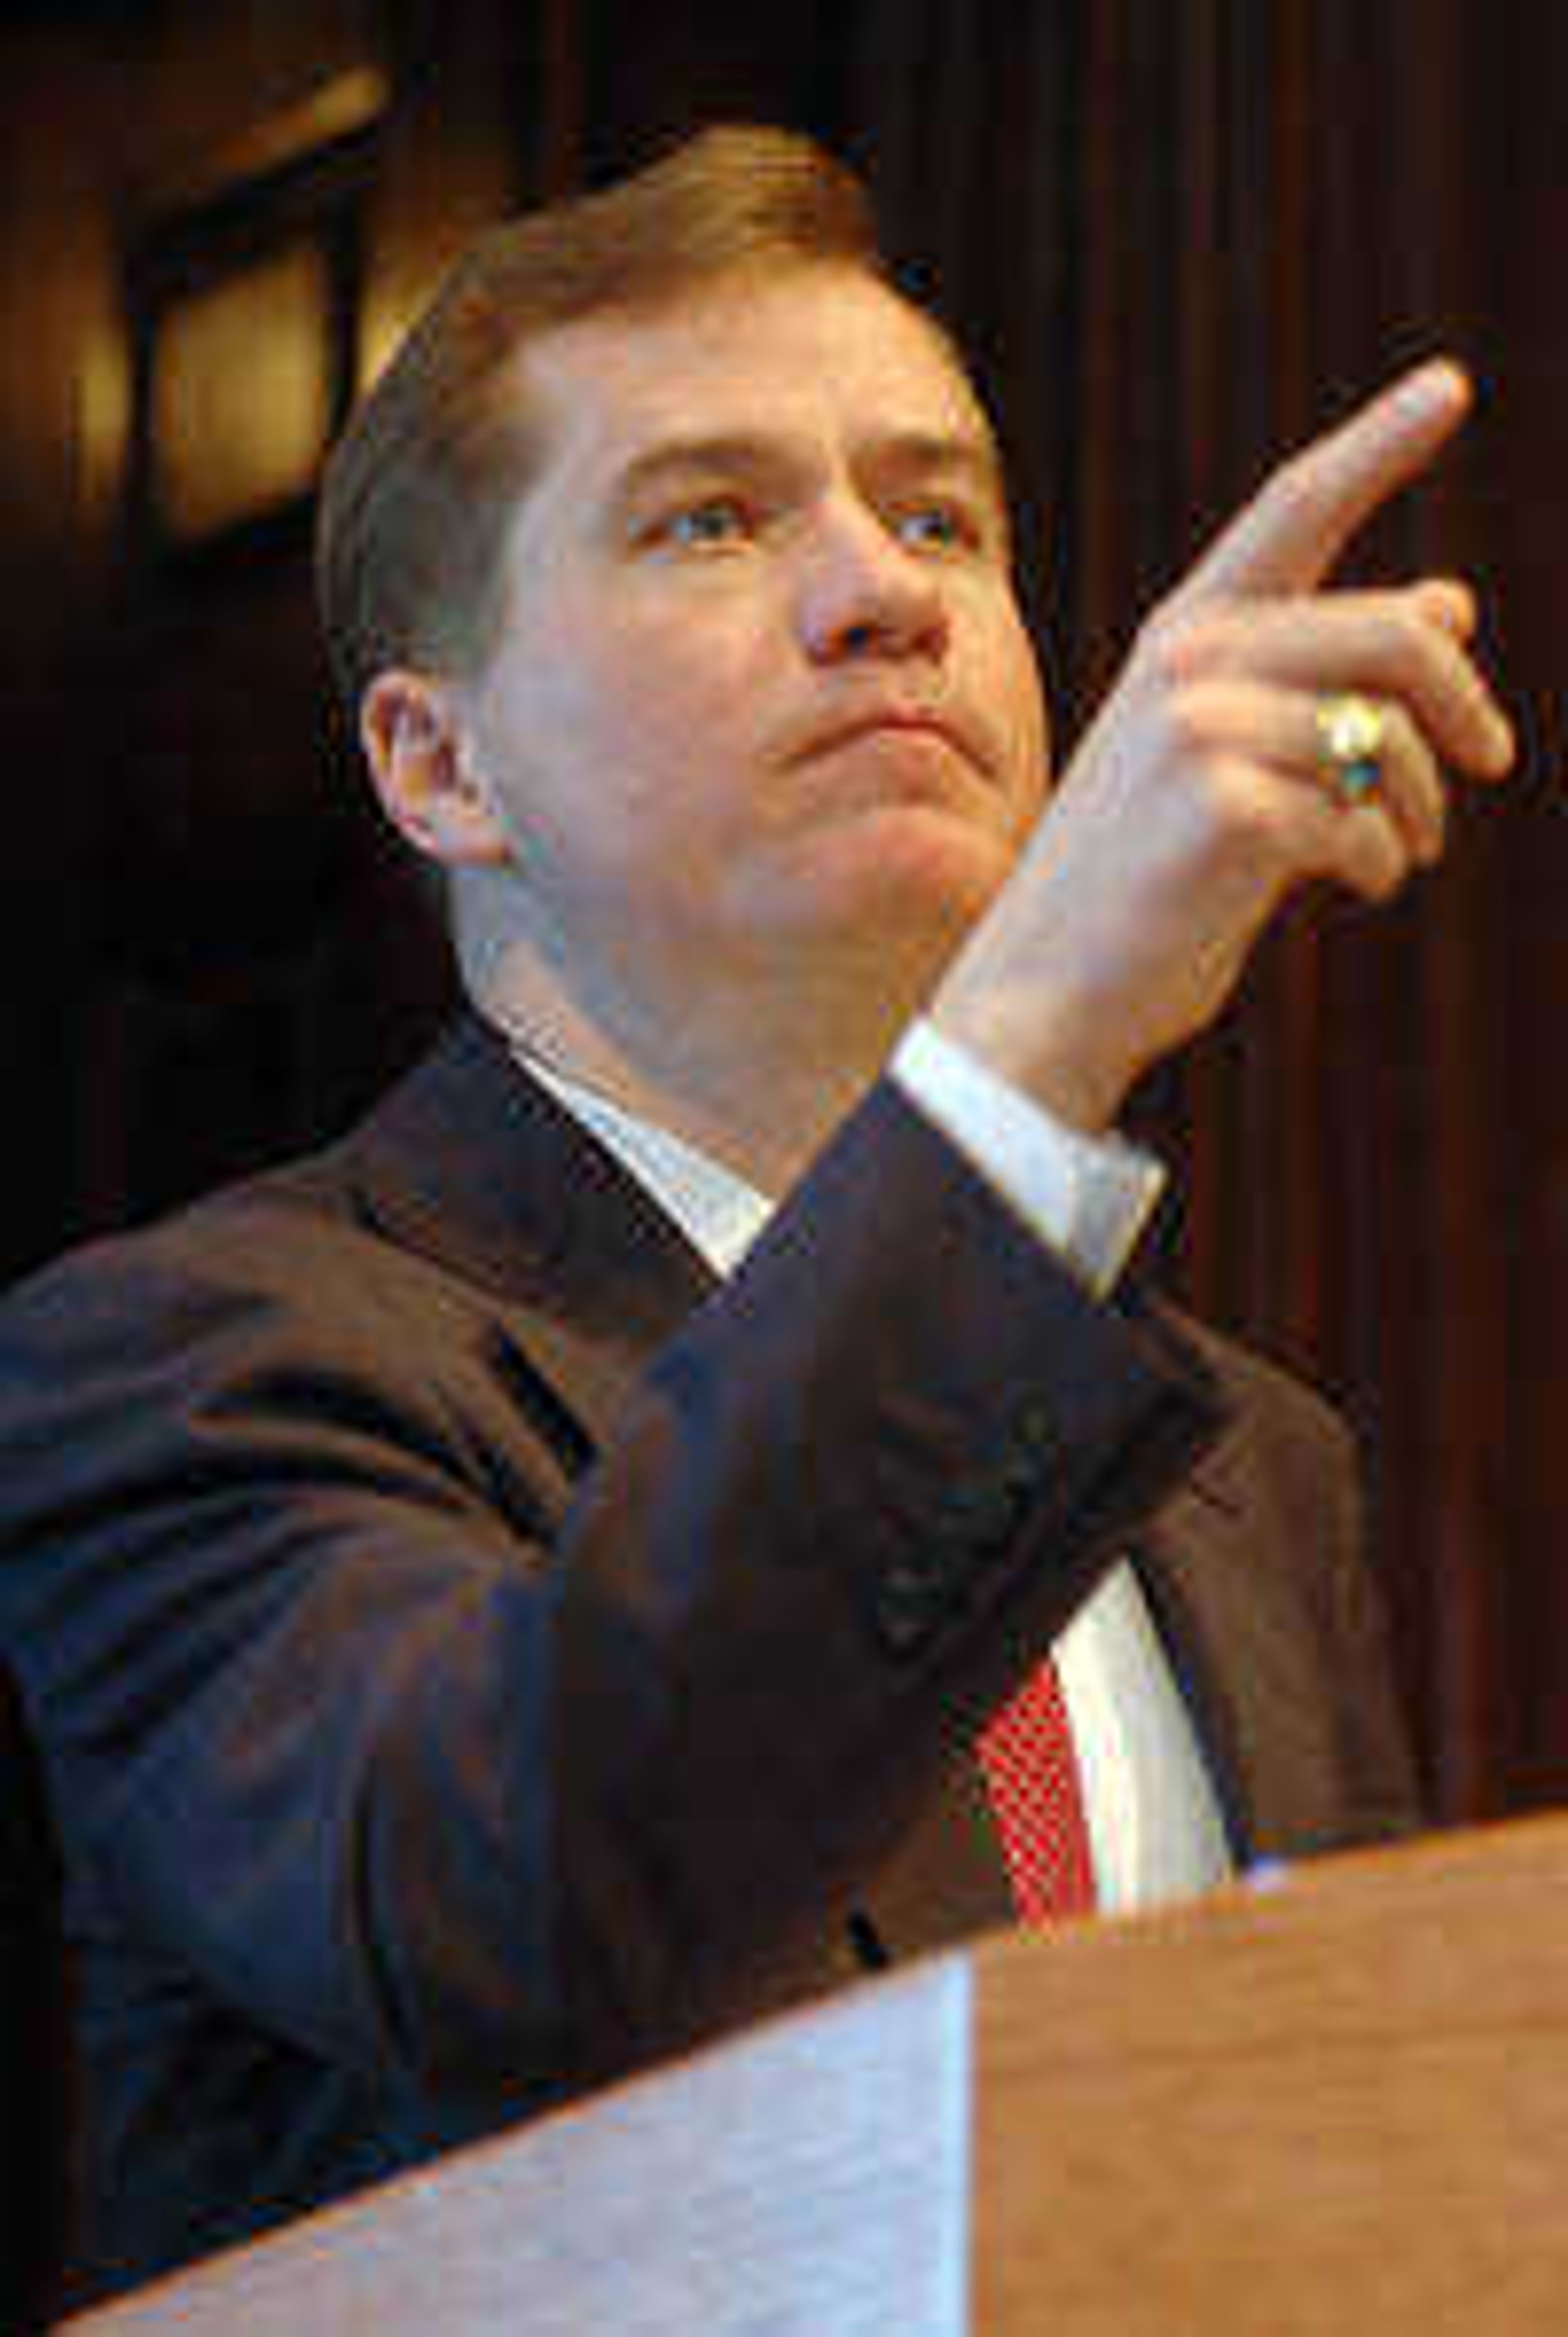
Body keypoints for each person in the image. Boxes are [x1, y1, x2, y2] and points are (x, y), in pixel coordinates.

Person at [0, 124, 1515, 2305]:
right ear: (440, 769)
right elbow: (526, 1905)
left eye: (939, 514)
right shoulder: (187, 1365)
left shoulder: (1250, 1468)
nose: (886, 587)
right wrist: (1020, 1054)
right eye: (710, 518)